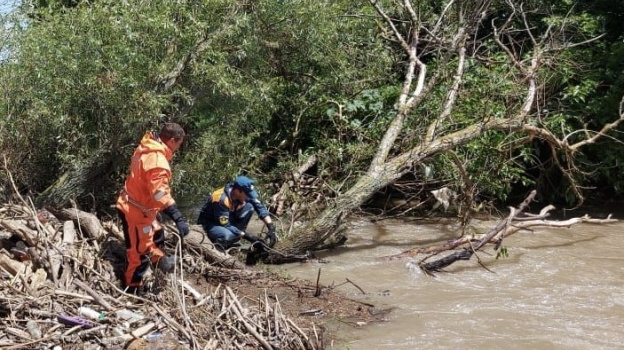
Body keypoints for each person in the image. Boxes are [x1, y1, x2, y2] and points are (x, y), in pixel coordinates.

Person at [116, 122, 190, 293]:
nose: (178, 148)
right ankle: (132, 289)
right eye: (179, 144)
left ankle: (160, 261)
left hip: (141, 206)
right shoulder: (157, 161)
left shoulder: (146, 147)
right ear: (172, 141)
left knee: (157, 232)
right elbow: (159, 194)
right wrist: (178, 217)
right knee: (138, 253)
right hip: (134, 212)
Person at [197, 175, 277, 251]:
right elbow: (225, 224)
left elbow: (259, 206)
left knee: (249, 207)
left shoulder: (243, 191)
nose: (248, 196)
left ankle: (235, 237)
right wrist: (248, 237)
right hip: (211, 223)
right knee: (227, 236)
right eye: (247, 194)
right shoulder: (221, 199)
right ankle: (218, 247)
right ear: (238, 191)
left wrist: (271, 228)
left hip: (226, 218)